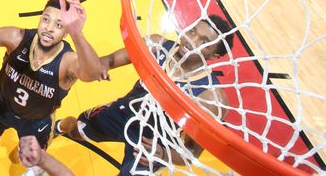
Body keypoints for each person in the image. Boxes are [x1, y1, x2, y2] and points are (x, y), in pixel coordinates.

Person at [56, 16, 234, 176]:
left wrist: (163, 154)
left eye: (205, 42)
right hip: (124, 113)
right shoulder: (156, 46)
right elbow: (109, 60)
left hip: (154, 144)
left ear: (215, 55)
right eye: (193, 30)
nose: (191, 40)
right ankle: (60, 126)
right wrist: (96, 68)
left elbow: (191, 152)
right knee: (76, 131)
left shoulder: (211, 98)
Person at [0, 0, 99, 173]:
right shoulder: (17, 38)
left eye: (58, 25)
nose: (49, 28)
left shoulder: (67, 61)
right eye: (46, 19)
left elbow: (93, 73)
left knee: (32, 164)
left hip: (36, 122)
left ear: (66, 32)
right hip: (1, 105)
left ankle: (60, 126)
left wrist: (78, 34)